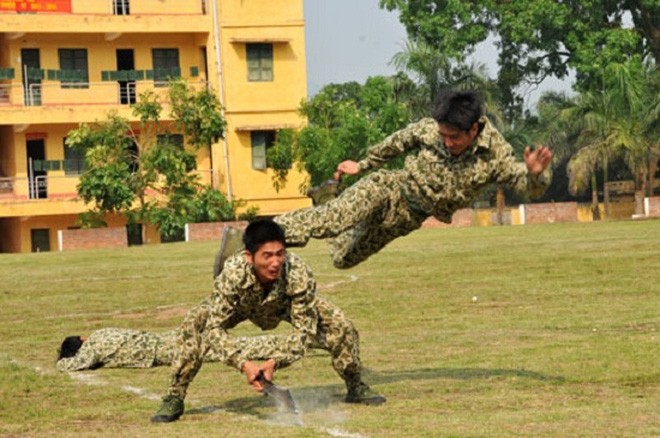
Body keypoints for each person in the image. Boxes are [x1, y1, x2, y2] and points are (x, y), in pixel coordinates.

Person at [215, 89, 553, 273]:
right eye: (443, 135)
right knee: (329, 221)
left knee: (343, 259)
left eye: (454, 138)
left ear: (474, 129)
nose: (446, 142)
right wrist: (363, 165)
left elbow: (523, 184)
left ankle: (325, 198)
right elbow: (397, 142)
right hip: (390, 188)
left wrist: (537, 174)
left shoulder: (495, 154)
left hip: (408, 218)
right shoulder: (428, 129)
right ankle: (247, 240)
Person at [152, 219, 384, 423]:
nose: (275, 262)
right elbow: (214, 329)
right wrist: (244, 363)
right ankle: (175, 396)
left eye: (280, 253)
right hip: (240, 305)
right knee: (195, 322)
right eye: (267, 256)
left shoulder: (298, 272)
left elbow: (304, 332)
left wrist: (275, 362)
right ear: (249, 257)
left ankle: (355, 385)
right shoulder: (232, 273)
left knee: (341, 325)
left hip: (282, 306)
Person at [56, 328, 230, 372]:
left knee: (211, 351)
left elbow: (71, 365)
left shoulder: (90, 351)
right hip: (159, 338)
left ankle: (257, 347)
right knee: (212, 341)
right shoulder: (99, 333)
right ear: (81, 339)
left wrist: (61, 362)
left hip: (158, 351)